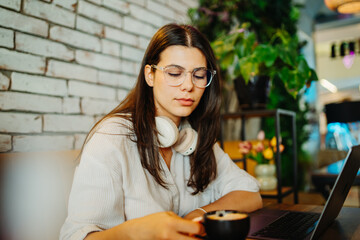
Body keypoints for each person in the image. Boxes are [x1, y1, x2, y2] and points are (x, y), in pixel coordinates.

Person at [60, 23, 262, 240]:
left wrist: (199, 213)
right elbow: (76, 237)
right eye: (175, 73)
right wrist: (138, 232)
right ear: (150, 75)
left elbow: (251, 195)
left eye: (199, 75)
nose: (188, 85)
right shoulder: (111, 138)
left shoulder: (194, 137)